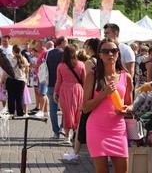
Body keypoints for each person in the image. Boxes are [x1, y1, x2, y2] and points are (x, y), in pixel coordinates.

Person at [82, 38, 133, 173]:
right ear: (99, 55)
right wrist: (103, 94)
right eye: (105, 51)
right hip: (97, 129)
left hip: (118, 129)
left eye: (113, 51)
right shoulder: (93, 76)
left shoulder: (126, 76)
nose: (110, 54)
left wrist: (127, 109)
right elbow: (85, 107)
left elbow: (130, 103)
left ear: (118, 53)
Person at [63, 38, 100, 163]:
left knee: (81, 126)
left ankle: (75, 153)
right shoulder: (101, 61)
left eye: (86, 46)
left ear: (90, 47)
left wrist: (84, 101)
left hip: (90, 98)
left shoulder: (90, 62)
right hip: (100, 98)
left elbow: (87, 83)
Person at [54, 45, 86, 145]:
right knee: (77, 112)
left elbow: (58, 81)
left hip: (65, 90)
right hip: (78, 90)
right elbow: (84, 80)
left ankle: (67, 137)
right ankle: (76, 135)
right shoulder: (81, 64)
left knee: (66, 113)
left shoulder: (60, 66)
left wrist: (56, 92)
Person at [46, 36, 68, 139]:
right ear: (62, 42)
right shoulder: (64, 54)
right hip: (62, 84)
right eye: (66, 42)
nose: (67, 44)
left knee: (53, 110)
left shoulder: (49, 53)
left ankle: (56, 132)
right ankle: (62, 128)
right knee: (64, 109)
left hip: (51, 84)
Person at [2, 45, 29, 116]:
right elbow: (27, 70)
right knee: (19, 97)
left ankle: (11, 112)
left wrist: (3, 79)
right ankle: (20, 112)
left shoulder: (10, 59)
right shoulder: (24, 59)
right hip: (21, 80)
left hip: (11, 80)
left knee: (11, 97)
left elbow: (6, 70)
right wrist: (26, 79)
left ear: (13, 51)